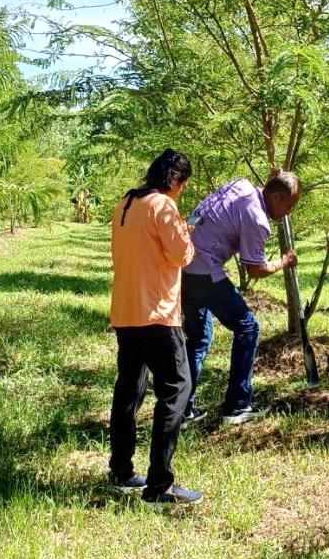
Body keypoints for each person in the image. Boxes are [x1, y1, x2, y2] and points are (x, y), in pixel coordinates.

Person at [108, 149, 201, 505]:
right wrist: (184, 234)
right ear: (176, 180)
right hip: (159, 315)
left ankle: (121, 469)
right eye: (183, 185)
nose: (182, 192)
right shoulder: (163, 206)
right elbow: (182, 256)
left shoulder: (126, 204)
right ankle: (160, 484)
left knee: (129, 391)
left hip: (126, 312)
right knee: (177, 389)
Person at [181, 171, 302, 425]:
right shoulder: (258, 219)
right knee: (248, 327)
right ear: (277, 196)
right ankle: (237, 405)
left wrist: (273, 179)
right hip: (203, 270)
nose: (288, 213)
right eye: (289, 206)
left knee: (200, 336)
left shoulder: (241, 184)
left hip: (183, 262)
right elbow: (255, 269)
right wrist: (284, 261)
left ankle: (181, 410)